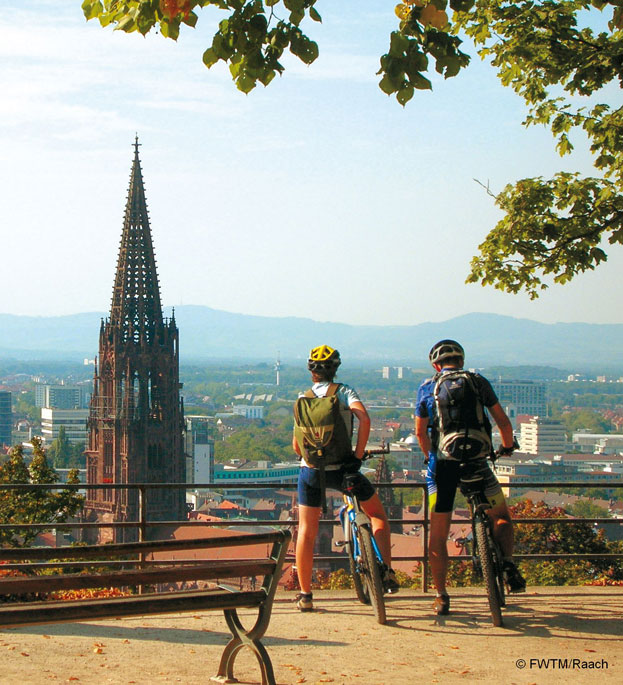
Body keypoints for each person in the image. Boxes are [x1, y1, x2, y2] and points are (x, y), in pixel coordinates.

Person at [415, 339, 525, 616]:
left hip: (443, 468)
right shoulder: (478, 382)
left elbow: (420, 432)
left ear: (435, 365)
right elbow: (502, 421)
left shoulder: (428, 387)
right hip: (477, 462)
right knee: (501, 516)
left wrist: (430, 458)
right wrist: (508, 446)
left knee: (438, 535)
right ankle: (508, 563)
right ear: (461, 362)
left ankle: (441, 596)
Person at [292, 344, 399, 611]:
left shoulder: (302, 399)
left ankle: (305, 595)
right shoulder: (344, 392)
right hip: (343, 469)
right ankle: (386, 571)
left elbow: (297, 447)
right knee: (377, 516)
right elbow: (364, 418)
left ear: (311, 372)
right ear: (335, 368)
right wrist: (358, 454)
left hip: (310, 471)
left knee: (306, 531)